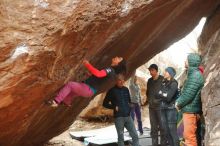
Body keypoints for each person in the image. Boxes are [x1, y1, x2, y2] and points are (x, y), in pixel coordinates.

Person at [47, 56, 126, 107]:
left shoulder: (110, 70)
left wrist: (87, 64)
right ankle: (67, 101)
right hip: (89, 90)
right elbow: (99, 77)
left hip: (87, 88)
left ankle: (55, 102)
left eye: (119, 58)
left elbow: (98, 74)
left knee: (70, 85)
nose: (116, 57)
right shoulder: (112, 72)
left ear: (118, 63)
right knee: (72, 92)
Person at [175, 53, 204, 146]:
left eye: (187, 60)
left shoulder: (195, 75)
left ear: (191, 62)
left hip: (191, 111)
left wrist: (178, 103)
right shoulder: (193, 74)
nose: (185, 61)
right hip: (189, 109)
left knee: (189, 138)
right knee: (187, 137)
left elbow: (188, 94)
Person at [103, 74, 140, 146]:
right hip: (119, 118)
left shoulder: (126, 89)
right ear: (116, 81)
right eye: (119, 80)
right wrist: (114, 107)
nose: (121, 81)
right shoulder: (111, 91)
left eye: (122, 80)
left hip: (128, 117)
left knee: (135, 135)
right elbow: (105, 103)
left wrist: (131, 106)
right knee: (121, 138)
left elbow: (128, 101)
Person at [158, 67, 179, 146]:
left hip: (171, 109)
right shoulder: (164, 82)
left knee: (172, 131)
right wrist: (163, 94)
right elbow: (158, 94)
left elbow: (168, 97)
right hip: (163, 108)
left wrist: (162, 94)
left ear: (170, 74)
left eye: (166, 72)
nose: (164, 73)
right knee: (166, 131)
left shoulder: (174, 83)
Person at [146, 64, 165, 146]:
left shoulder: (162, 80)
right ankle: (155, 144)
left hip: (160, 107)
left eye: (152, 70)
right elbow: (148, 92)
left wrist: (158, 100)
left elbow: (165, 93)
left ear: (157, 70)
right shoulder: (149, 81)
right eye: (150, 70)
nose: (151, 72)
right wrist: (150, 100)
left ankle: (163, 143)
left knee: (162, 127)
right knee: (153, 128)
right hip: (151, 108)